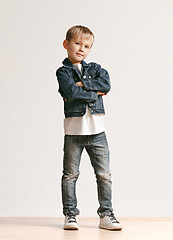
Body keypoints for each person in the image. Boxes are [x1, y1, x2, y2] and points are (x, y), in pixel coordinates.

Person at [56, 25, 122, 231]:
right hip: (73, 133)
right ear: (66, 44)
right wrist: (93, 92)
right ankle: (70, 215)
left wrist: (82, 85)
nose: (81, 49)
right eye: (77, 43)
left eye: (86, 46)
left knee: (104, 175)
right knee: (70, 175)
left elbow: (107, 85)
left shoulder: (96, 69)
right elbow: (70, 92)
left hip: (97, 132)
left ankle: (106, 215)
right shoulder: (63, 72)